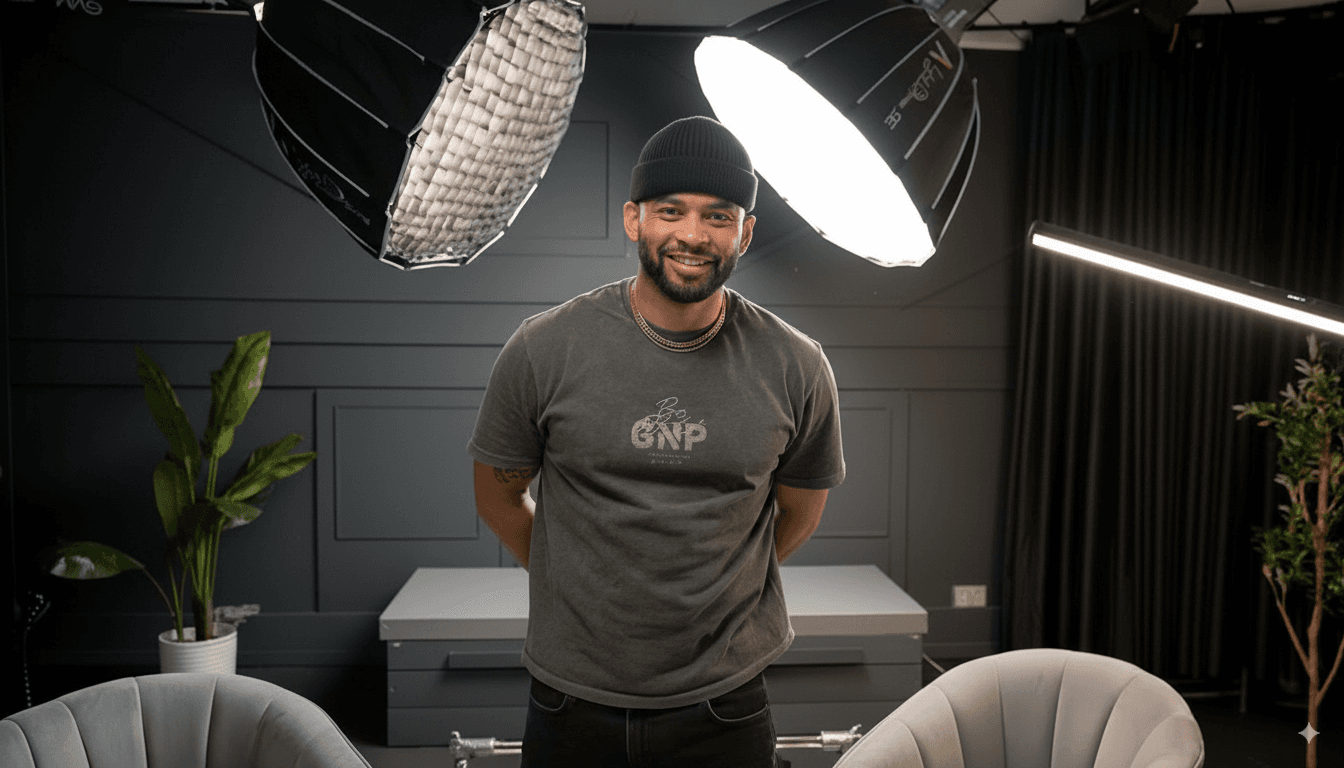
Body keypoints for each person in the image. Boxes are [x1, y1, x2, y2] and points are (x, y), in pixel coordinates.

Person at [467, 115, 846, 768]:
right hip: (570, 701)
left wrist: (718, 586)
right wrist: (578, 581)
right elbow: (498, 497)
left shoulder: (797, 366)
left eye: (718, 216)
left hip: (726, 704)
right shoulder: (542, 349)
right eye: (671, 211)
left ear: (745, 232)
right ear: (633, 218)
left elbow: (801, 511)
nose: (693, 235)